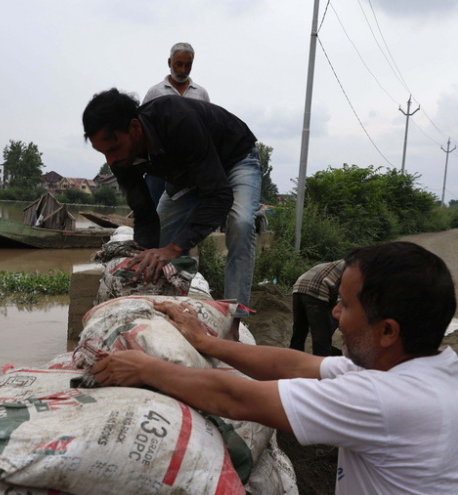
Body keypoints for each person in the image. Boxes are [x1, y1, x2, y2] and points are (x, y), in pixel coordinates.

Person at [91, 241, 458, 495]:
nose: (334, 314)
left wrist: (147, 369)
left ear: (387, 332)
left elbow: (236, 399)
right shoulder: (423, 368)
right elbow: (294, 364)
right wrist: (207, 344)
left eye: (345, 305)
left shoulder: (389, 400)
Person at [82, 88, 261, 340]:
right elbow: (143, 211)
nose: (110, 161)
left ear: (134, 128)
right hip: (188, 174)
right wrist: (143, 252)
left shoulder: (178, 120)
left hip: (234, 159)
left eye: (113, 149)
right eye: (103, 154)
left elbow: (218, 195)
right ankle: (168, 316)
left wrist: (174, 249)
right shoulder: (121, 158)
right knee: (157, 253)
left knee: (241, 225)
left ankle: (233, 324)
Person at [141, 42, 211, 206]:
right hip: (159, 168)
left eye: (188, 65)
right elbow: (141, 127)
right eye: (178, 64)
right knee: (154, 213)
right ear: (169, 63)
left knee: (184, 216)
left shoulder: (201, 94)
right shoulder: (155, 92)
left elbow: (208, 129)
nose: (182, 70)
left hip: (190, 170)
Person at [289, 260, 345, 356]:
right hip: (316, 288)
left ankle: (292, 363)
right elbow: (343, 297)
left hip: (298, 287)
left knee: (299, 332)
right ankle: (321, 365)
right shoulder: (357, 268)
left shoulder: (343, 263)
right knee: (321, 336)